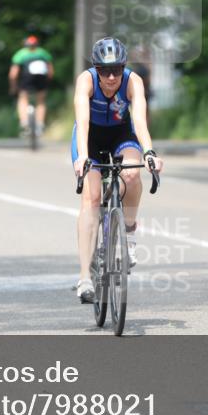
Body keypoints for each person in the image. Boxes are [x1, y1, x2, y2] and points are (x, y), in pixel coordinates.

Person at [72, 36, 163, 303]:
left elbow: (139, 121)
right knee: (91, 199)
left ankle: (129, 234)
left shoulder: (133, 81)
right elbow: (82, 121)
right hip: (90, 137)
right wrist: (84, 158)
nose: (111, 77)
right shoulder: (86, 81)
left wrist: (149, 152)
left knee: (133, 173)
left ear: (124, 67)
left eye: (116, 70)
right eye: (104, 70)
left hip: (123, 135)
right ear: (96, 69)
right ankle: (84, 278)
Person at [9, 35, 54, 136]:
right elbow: (50, 72)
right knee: (41, 101)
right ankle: (40, 124)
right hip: (41, 78)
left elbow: (13, 74)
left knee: (23, 99)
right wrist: (47, 83)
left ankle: (24, 123)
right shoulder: (43, 53)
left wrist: (13, 87)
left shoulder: (20, 53)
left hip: (26, 78)